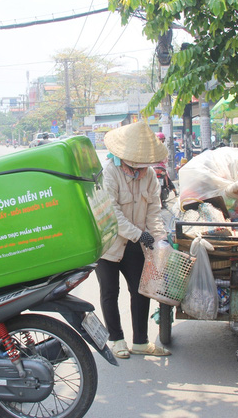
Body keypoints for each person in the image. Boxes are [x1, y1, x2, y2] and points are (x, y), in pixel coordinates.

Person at [98, 121, 171, 359]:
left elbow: (154, 210)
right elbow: (112, 214)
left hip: (136, 245)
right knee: (110, 292)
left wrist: (160, 238)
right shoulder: (109, 172)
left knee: (141, 291)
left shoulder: (149, 175)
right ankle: (116, 339)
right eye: (135, 165)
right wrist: (140, 234)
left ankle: (140, 341)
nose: (139, 169)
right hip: (109, 243)